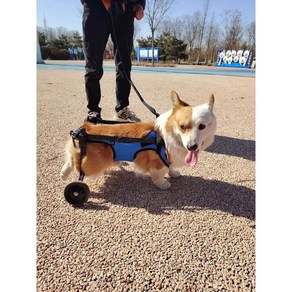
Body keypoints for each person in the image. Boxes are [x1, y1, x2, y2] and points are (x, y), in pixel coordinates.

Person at [81, 0, 145, 123]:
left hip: (125, 11)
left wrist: (140, 5)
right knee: (93, 65)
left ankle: (122, 110)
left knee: (124, 65)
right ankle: (93, 111)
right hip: (96, 7)